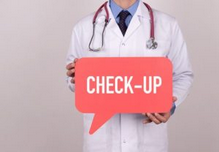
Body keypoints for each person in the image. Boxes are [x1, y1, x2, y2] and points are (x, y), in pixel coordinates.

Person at [66, 0, 194, 151]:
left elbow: (183, 74)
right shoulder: (83, 27)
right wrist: (78, 80)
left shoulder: (167, 25)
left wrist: (168, 104)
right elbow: (72, 80)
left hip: (149, 142)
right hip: (101, 142)